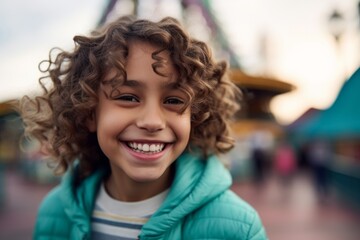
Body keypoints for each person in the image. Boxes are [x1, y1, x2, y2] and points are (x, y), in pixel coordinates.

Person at [19, 15, 267, 240]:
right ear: (88, 112)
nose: (152, 121)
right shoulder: (55, 214)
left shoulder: (238, 228)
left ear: (195, 117)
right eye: (128, 97)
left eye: (174, 101)